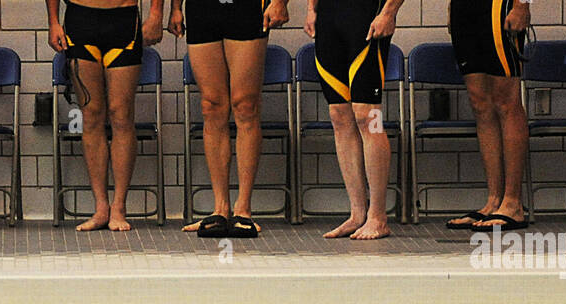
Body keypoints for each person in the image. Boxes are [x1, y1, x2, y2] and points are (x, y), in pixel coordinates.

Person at [170, 0, 290, 237]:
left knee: (245, 106)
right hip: (203, 10)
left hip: (246, 8)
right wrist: (175, 8)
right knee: (212, 107)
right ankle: (220, 208)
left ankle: (243, 209)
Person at [47, 0, 165, 231]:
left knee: (121, 115)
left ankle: (119, 206)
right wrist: (52, 21)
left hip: (123, 20)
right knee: (91, 116)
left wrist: (156, 13)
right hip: (79, 20)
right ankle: (101, 206)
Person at [305, 0, 404, 239]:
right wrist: (311, 8)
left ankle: (378, 216)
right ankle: (357, 214)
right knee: (339, 115)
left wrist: (389, 12)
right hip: (329, 17)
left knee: (368, 115)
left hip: (368, 15)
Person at [445, 0, 531, 231]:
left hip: (499, 6)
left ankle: (513, 203)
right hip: (466, 9)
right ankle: (494, 200)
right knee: (479, 103)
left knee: (506, 101)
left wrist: (522, 4)